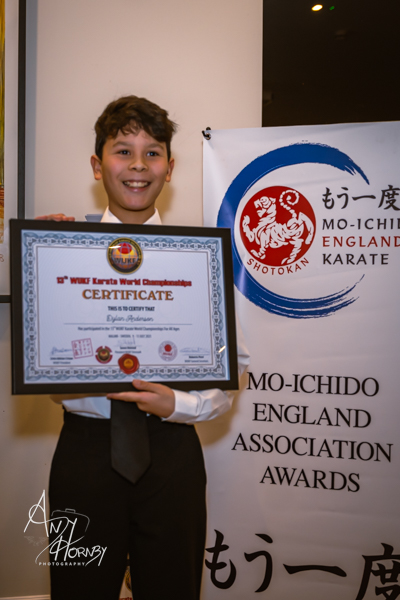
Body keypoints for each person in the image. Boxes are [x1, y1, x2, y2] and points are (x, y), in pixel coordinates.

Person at [39, 95, 249, 600]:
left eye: (152, 153)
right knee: (77, 590)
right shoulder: (61, 248)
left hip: (172, 457)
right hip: (84, 457)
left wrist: (178, 403)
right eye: (123, 151)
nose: (138, 165)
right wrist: (40, 260)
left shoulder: (198, 260)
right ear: (97, 165)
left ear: (169, 169)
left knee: (173, 589)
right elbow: (46, 373)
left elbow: (234, 367)